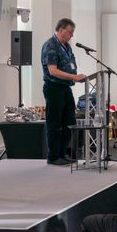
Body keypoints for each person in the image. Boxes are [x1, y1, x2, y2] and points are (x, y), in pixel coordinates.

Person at [41, 18, 87, 165]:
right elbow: (52, 71)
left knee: (70, 121)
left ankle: (63, 153)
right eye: (70, 32)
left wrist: (75, 77)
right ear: (61, 30)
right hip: (54, 87)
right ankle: (53, 156)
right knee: (55, 123)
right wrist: (74, 76)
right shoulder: (51, 45)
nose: (71, 36)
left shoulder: (66, 46)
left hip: (65, 88)